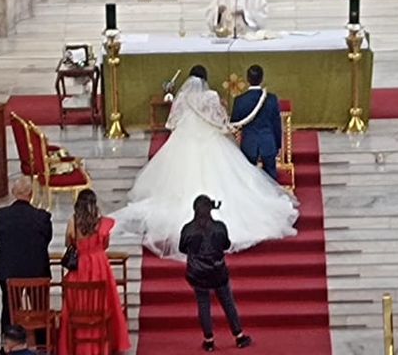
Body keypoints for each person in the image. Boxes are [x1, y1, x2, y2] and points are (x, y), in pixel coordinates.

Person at [111, 65, 298, 260]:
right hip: (210, 142)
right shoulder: (211, 97)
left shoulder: (182, 98)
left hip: (184, 143)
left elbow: (171, 123)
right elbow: (221, 122)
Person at [58, 189, 131, 355]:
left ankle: (76, 346)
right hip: (100, 265)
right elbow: (105, 244)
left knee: (78, 304)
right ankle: (104, 345)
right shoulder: (102, 223)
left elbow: (68, 242)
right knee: (103, 303)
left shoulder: (73, 222)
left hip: (80, 266)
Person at [180, 195, 252, 352]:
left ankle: (209, 340)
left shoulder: (188, 229)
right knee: (227, 303)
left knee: (203, 305)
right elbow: (226, 245)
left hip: (197, 272)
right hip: (218, 271)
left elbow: (182, 248)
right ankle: (239, 336)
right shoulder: (219, 227)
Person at [0, 177, 52, 335]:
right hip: (36, 271)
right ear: (31, 194)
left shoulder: (0, 216)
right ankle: (41, 344)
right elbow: (46, 240)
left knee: (9, 309)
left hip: (9, 271)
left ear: (13, 193)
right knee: (39, 308)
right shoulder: (42, 217)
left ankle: (8, 344)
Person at [230, 64, 282, 181]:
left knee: (249, 178)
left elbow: (234, 123)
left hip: (249, 143)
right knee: (271, 177)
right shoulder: (271, 98)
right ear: (262, 78)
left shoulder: (240, 100)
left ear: (247, 79)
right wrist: (278, 144)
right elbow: (276, 124)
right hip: (268, 142)